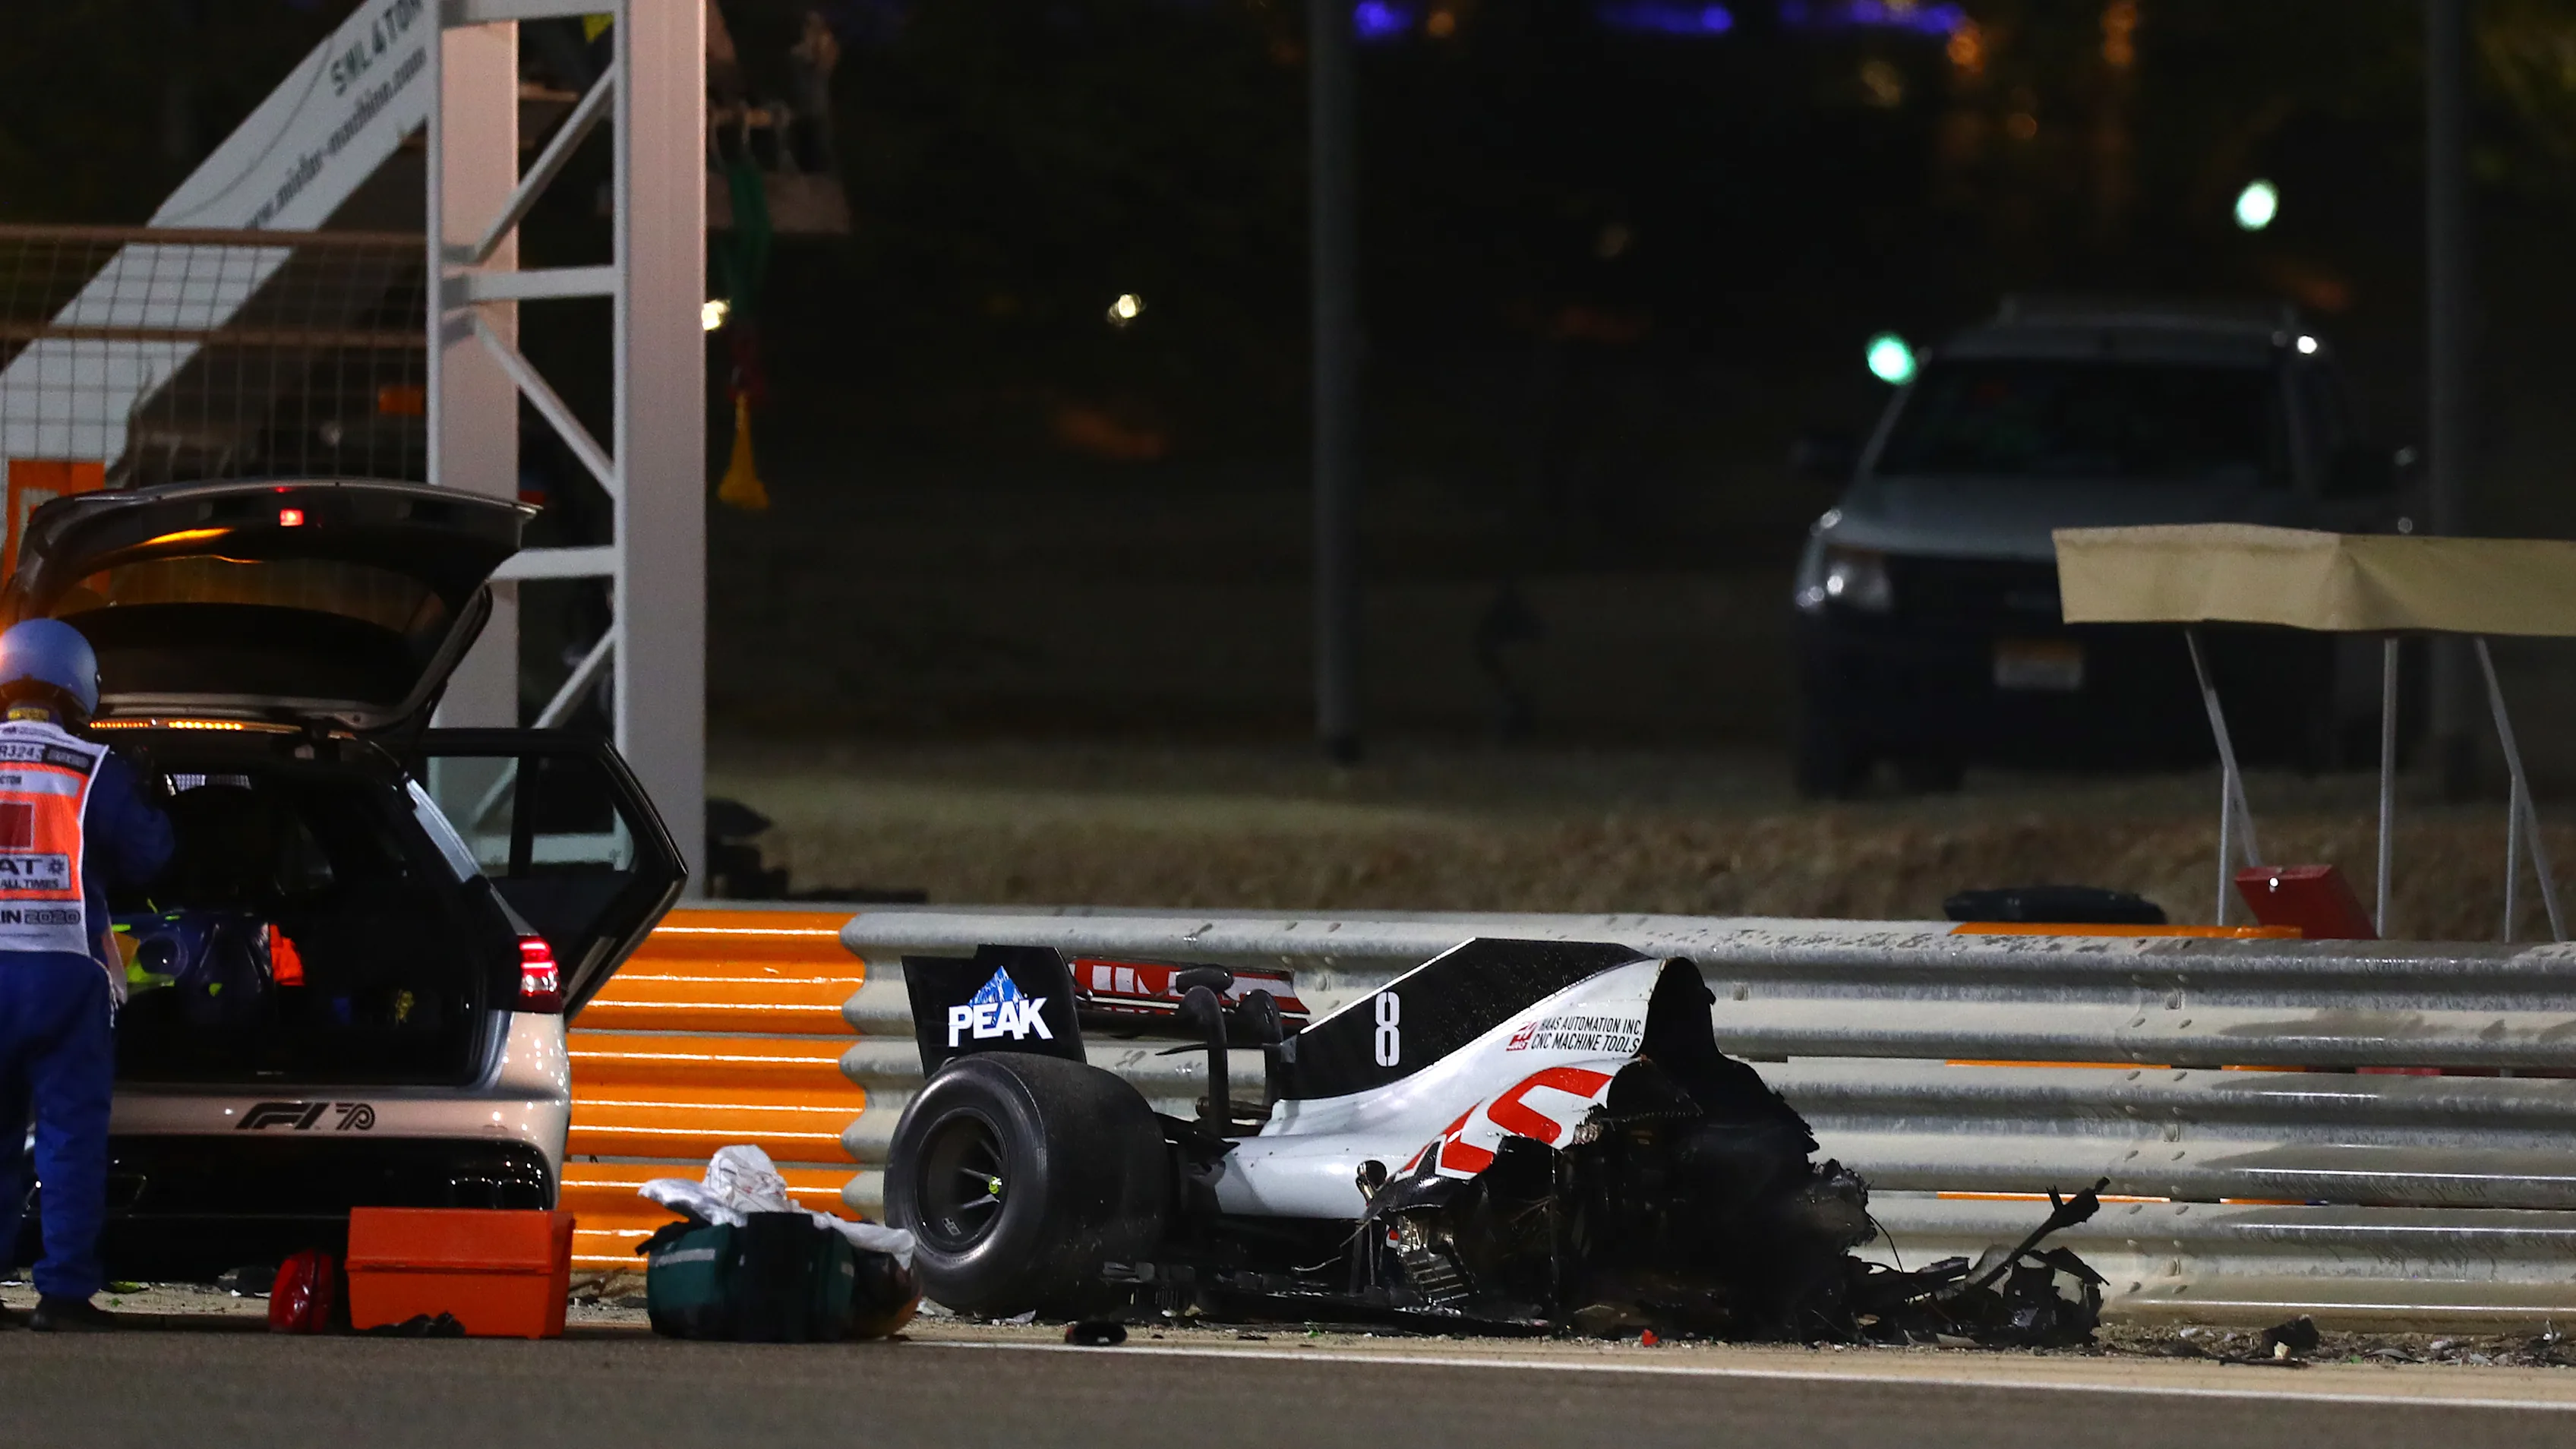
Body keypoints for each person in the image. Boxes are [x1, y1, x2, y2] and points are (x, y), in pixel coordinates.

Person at [0, 619, 172, 1331]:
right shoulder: (90, 765)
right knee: (69, 1137)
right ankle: (63, 1296)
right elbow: (151, 856)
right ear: (78, 683)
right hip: (61, 974)